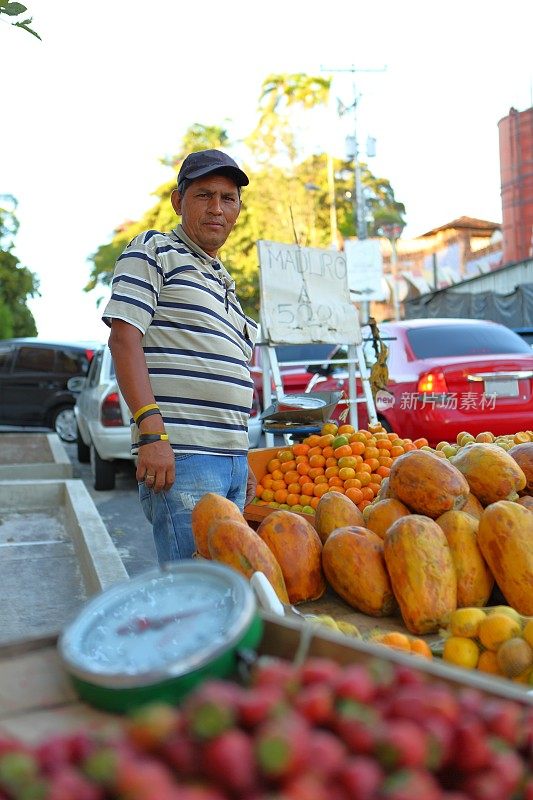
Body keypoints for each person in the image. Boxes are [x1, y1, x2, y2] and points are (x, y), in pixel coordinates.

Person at [102, 149, 258, 563]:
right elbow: (123, 339)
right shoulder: (153, 249)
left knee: (226, 589)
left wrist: (240, 454)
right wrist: (152, 432)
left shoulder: (223, 278)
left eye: (228, 198)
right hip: (183, 456)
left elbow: (226, 370)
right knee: (195, 592)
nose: (217, 208)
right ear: (178, 201)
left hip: (231, 459)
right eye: (204, 195)